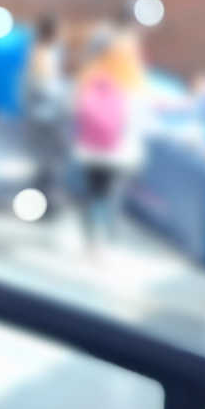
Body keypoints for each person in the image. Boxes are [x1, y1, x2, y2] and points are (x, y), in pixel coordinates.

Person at [70, 26, 145, 253]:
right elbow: (138, 120)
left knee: (93, 192)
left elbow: (76, 108)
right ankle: (103, 239)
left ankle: (91, 237)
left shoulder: (90, 74)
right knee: (111, 195)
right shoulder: (132, 81)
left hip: (90, 147)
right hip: (118, 150)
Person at [21, 15, 70, 213]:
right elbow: (43, 87)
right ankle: (42, 206)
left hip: (45, 115)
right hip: (45, 117)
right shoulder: (42, 54)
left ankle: (43, 204)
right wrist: (65, 95)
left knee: (47, 164)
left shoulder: (48, 52)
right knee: (47, 164)